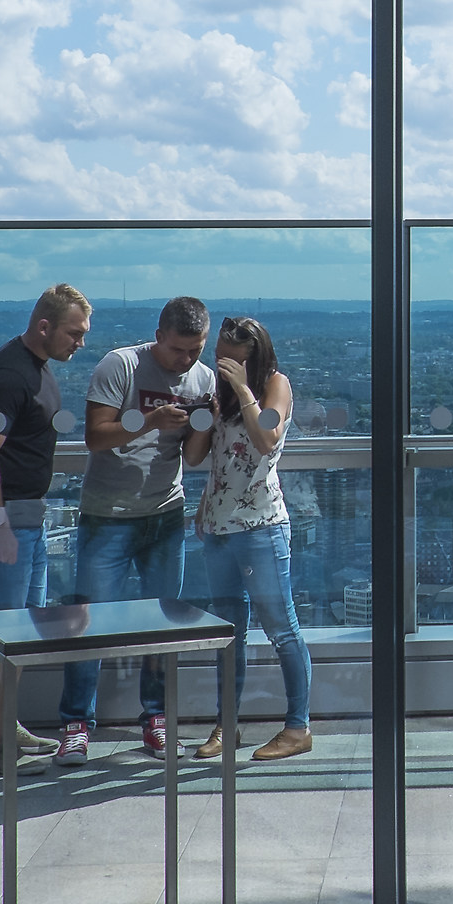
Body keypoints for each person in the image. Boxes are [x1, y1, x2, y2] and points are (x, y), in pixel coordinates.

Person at [56, 297, 216, 765]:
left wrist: (207, 418)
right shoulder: (121, 365)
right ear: (159, 335)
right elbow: (96, 435)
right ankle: (75, 724)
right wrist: (149, 419)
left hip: (165, 514)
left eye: (195, 351)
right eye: (178, 351)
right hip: (108, 514)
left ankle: (157, 719)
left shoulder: (202, 379)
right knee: (88, 623)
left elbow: (192, 457)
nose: (186, 361)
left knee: (162, 625)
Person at [0, 284, 94, 776]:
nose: (80, 343)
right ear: (44, 327)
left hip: (23, 521)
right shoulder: (8, 377)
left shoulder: (36, 369)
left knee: (17, 632)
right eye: (74, 334)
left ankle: (3, 727)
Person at [196, 317, 312, 762]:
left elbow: (266, 439)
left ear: (252, 356)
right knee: (229, 634)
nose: (221, 364)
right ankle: (227, 726)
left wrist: (244, 390)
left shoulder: (275, 386)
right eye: (218, 355)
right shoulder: (219, 392)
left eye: (231, 356)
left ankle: (298, 726)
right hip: (218, 528)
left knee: (282, 630)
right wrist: (202, 413)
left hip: (261, 526)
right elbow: (197, 456)